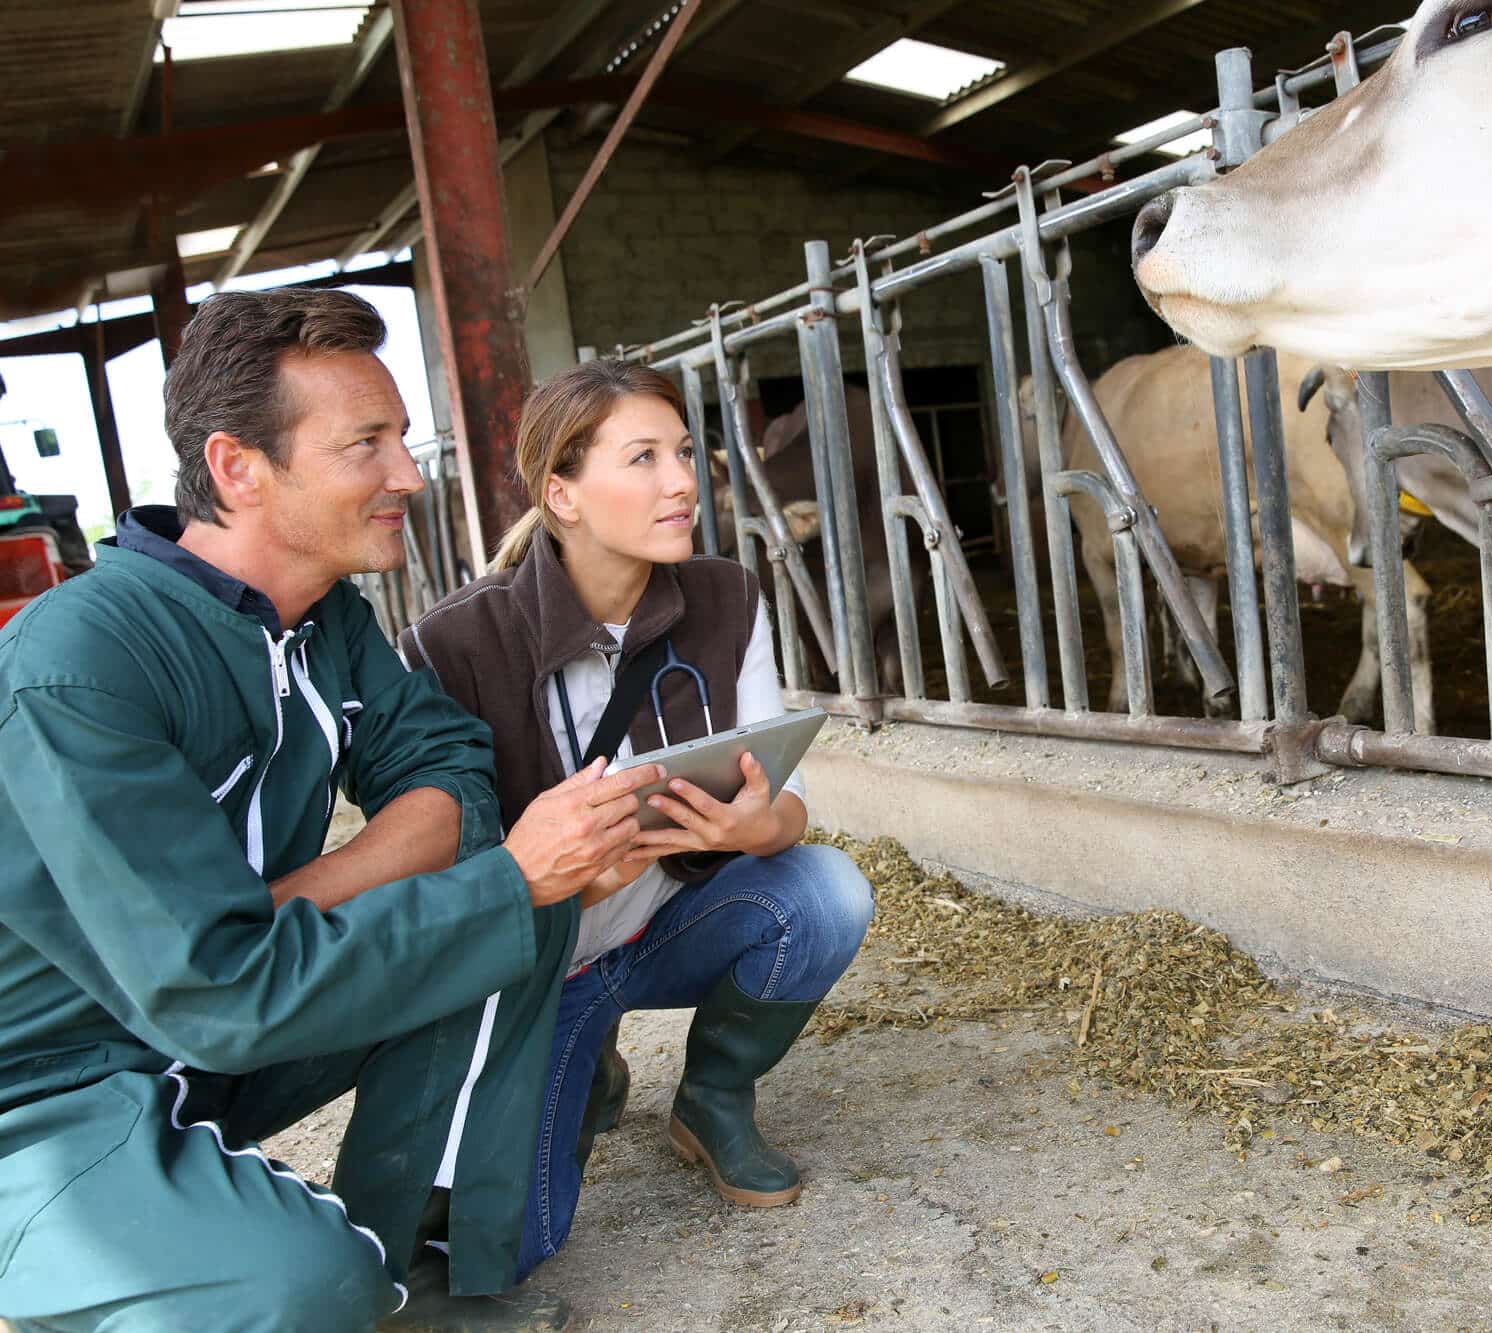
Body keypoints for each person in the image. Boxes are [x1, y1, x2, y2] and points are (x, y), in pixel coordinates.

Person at [0, 289, 665, 1331]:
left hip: (216, 1018)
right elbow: (217, 995)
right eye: (368, 443)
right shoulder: (78, 666)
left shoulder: (322, 619)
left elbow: (452, 772)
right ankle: (100, 1255)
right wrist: (471, 881)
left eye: (400, 437)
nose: (408, 472)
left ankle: (413, 1256)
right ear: (237, 468)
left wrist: (297, 899)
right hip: (48, 1085)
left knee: (515, 902)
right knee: (298, 1290)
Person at [398, 359, 873, 1280]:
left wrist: (752, 829)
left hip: (667, 921)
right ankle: (585, 1062)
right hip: (540, 966)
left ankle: (713, 1097)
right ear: (561, 495)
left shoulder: (726, 596)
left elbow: (788, 804)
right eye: (644, 457)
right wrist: (563, 880)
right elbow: (438, 885)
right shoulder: (449, 646)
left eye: (685, 453)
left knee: (825, 892)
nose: (683, 480)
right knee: (497, 1252)